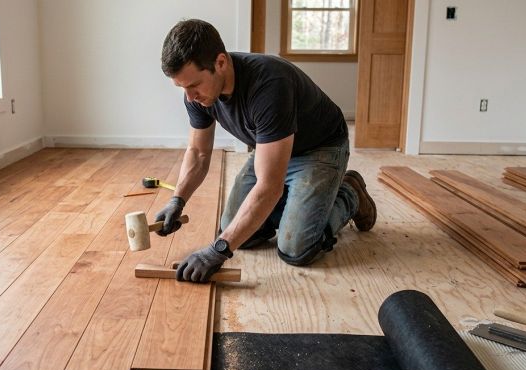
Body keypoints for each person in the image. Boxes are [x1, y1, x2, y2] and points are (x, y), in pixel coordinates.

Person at [155, 19, 376, 283]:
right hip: (272, 148)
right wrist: (177, 200)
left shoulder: (270, 84)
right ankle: (298, 204)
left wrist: (219, 250)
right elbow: (199, 153)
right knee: (235, 231)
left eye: (193, 85)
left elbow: (269, 186)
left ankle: (350, 192)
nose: (190, 97)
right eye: (182, 88)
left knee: (296, 248)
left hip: (319, 148)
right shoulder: (196, 93)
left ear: (220, 63)